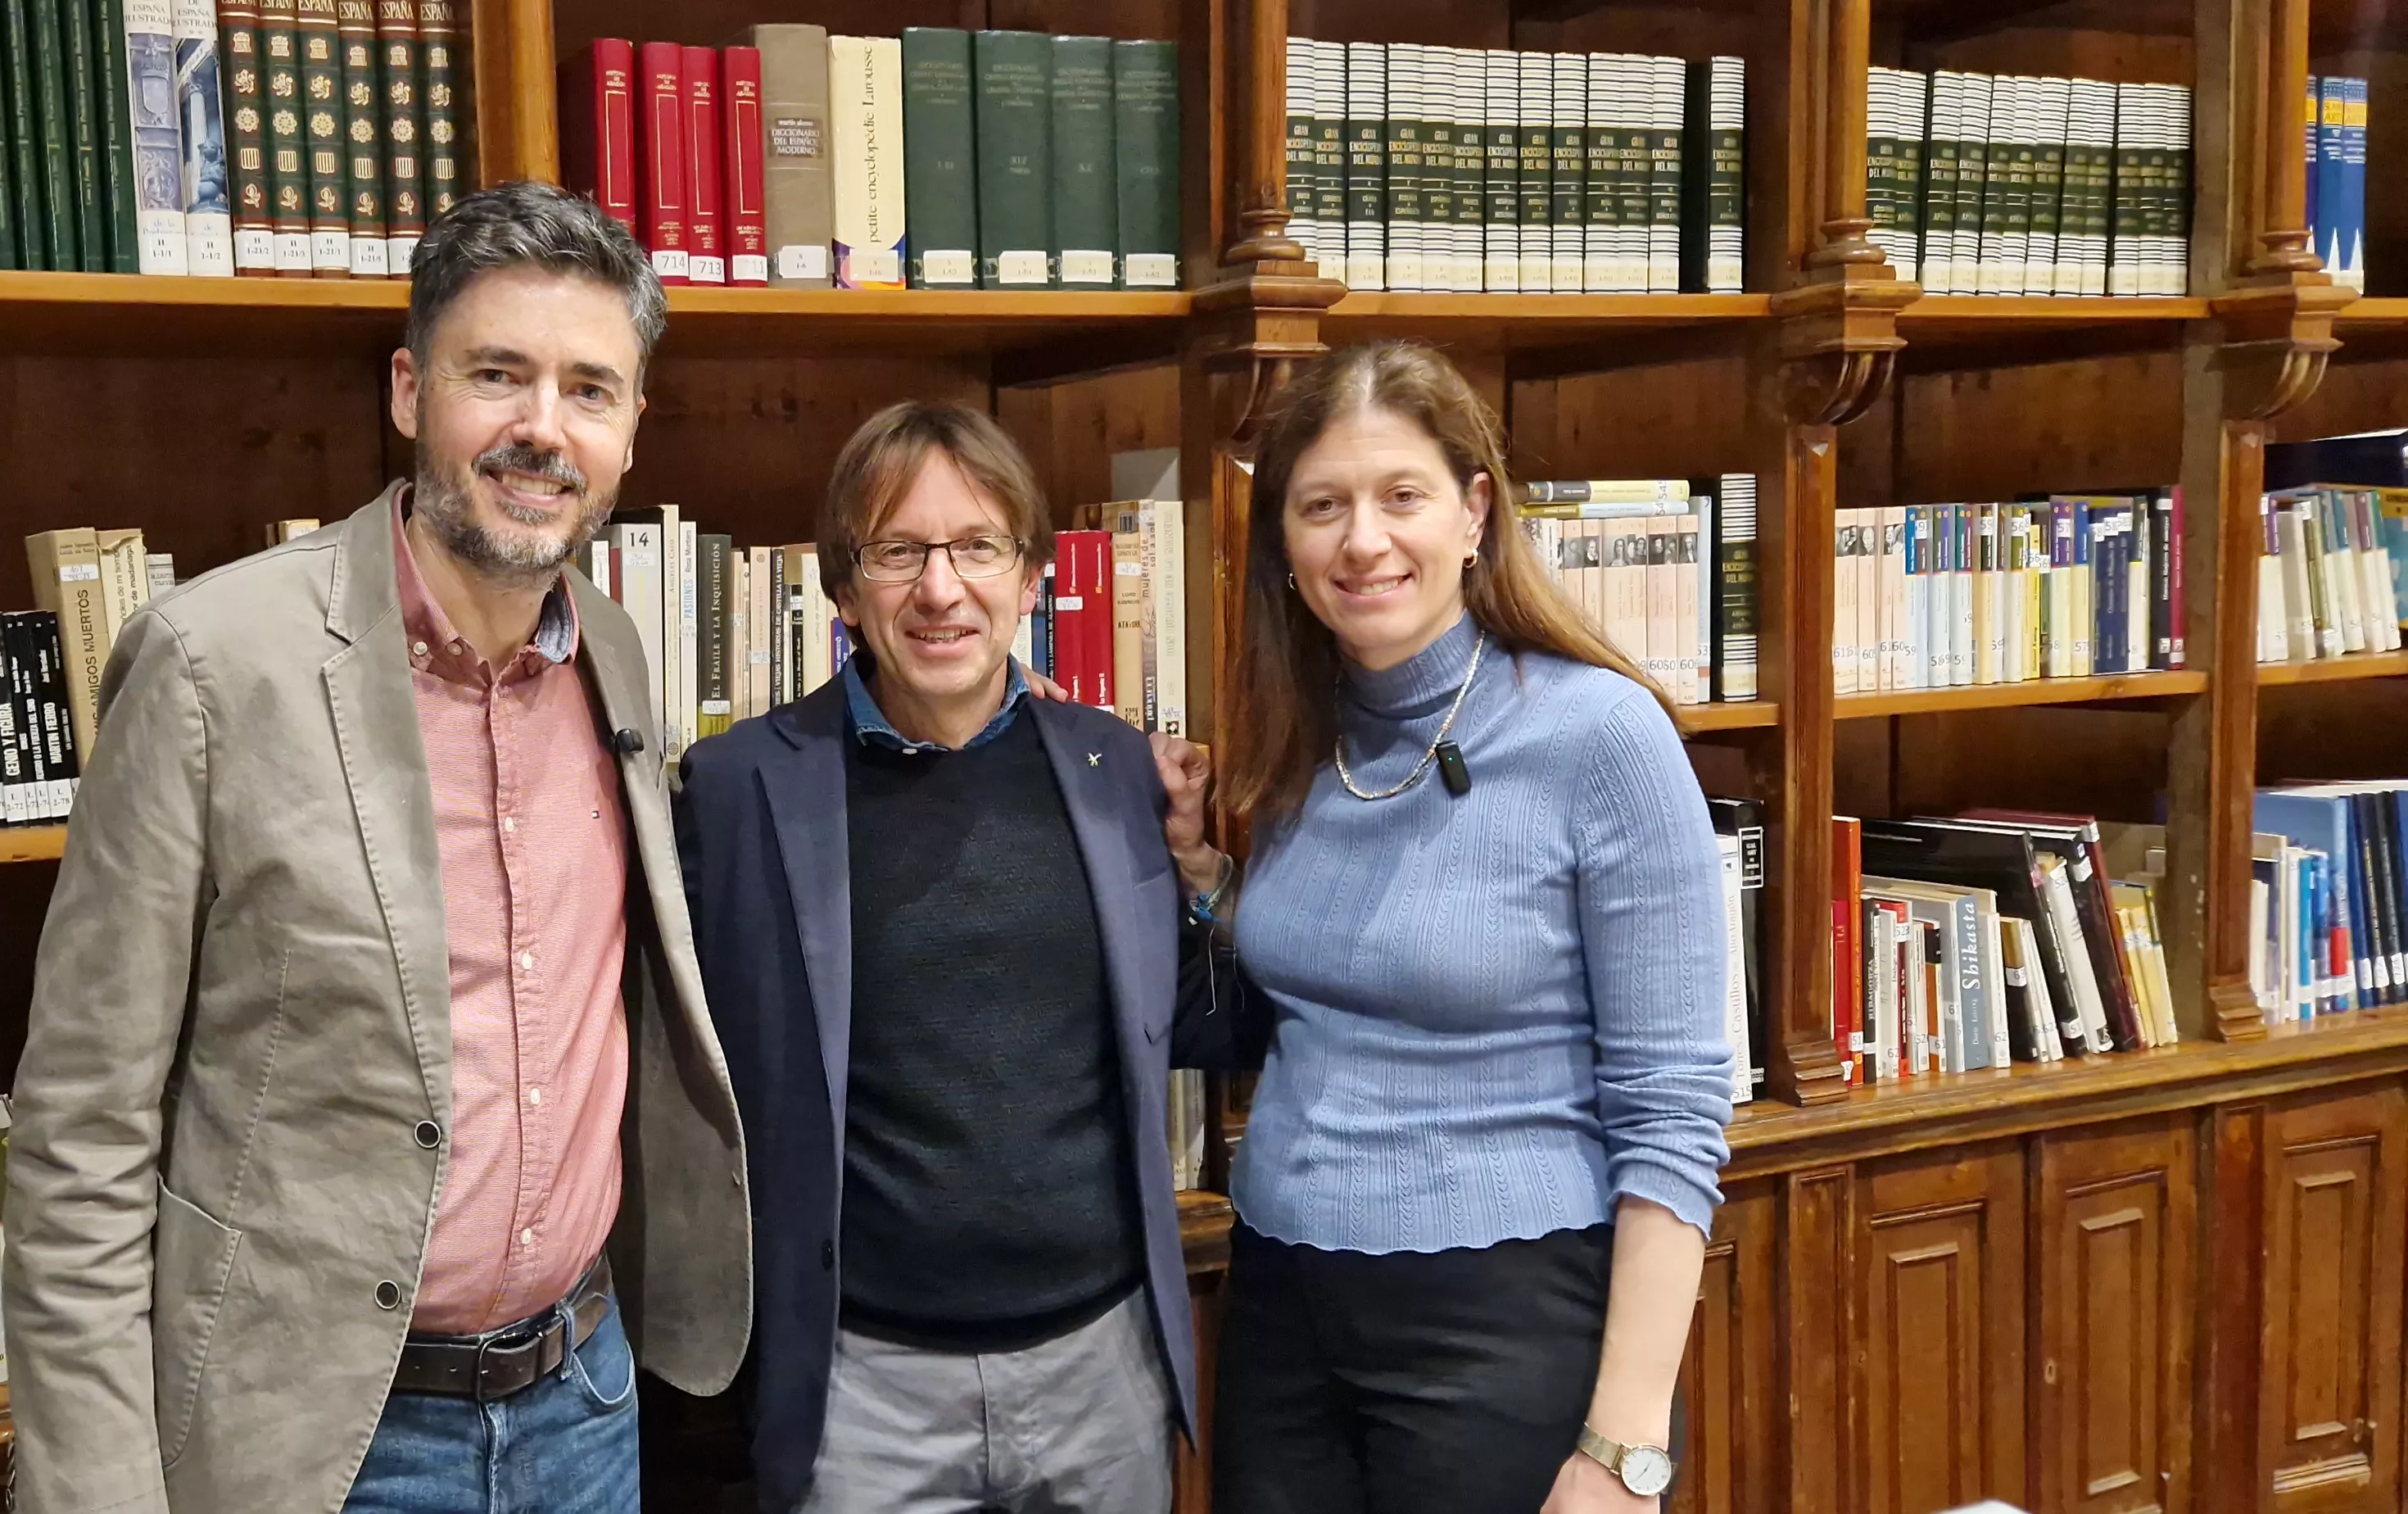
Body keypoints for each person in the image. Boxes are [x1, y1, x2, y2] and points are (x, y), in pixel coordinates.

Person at [2, 181, 750, 1514]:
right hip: (327, 1440)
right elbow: (82, 1133)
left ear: (634, 428)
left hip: (586, 1400)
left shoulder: (619, 657)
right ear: (410, 391)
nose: (541, 428)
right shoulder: (213, 665)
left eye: (591, 389)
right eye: (497, 375)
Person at [676, 401, 1244, 1514]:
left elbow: (1196, 1021)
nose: (942, 590)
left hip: (1104, 1369)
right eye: (899, 552)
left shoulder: (1113, 767)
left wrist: (1204, 882)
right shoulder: (741, 787)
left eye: (978, 547)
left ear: (1030, 580)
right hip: (864, 1391)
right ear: (842, 589)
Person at [1199, 341, 1734, 1514]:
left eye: (1402, 497)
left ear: (1475, 510)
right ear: (1283, 544)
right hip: (1283, 1305)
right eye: (1323, 506)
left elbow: (1677, 1111)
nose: (1364, 541)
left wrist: (1624, 1452)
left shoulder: (1603, 737)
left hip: (1503, 1323)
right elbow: (1334, 977)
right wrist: (1203, 879)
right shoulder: (1302, 734)